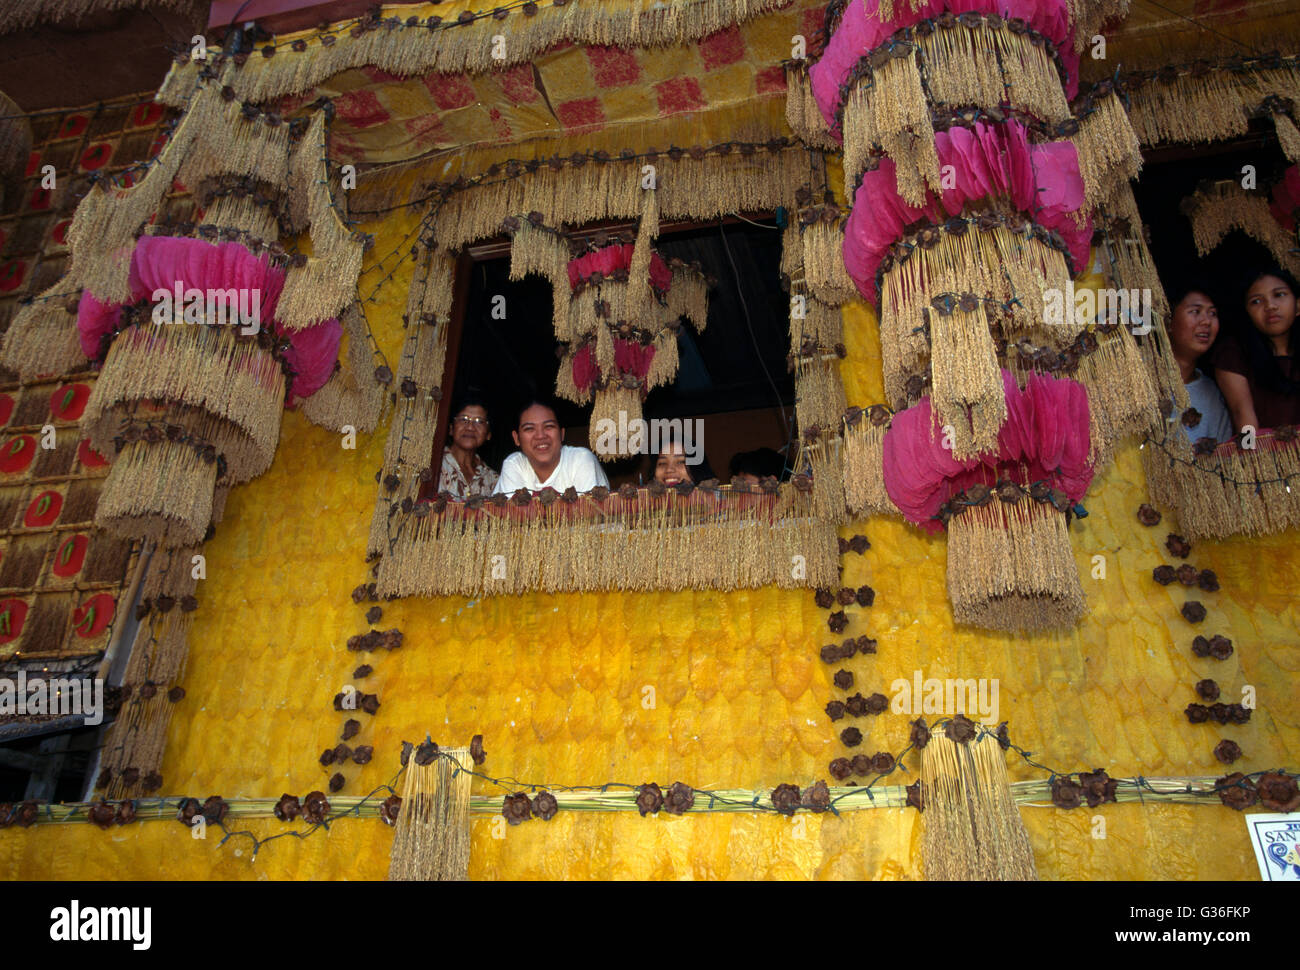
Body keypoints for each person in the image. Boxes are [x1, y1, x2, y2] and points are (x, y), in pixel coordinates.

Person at [1214, 268, 1300, 432]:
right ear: (1247, 313)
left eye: (1279, 295)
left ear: (1298, 305)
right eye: (1256, 301)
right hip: (1262, 454)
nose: (1270, 306)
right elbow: (1242, 416)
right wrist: (1251, 451)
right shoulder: (1232, 354)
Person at [493, 397, 610, 494]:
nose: (540, 436)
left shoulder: (581, 460)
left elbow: (588, 515)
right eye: (529, 429)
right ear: (516, 438)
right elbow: (514, 517)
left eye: (549, 426)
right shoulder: (514, 464)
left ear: (562, 434)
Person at [1165, 285, 1233, 444]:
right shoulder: (1139, 382)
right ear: (1168, 322)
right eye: (1195, 311)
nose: (1206, 321)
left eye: (1213, 313)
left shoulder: (1213, 394)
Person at [438, 396, 498, 498]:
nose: (470, 427)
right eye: (463, 419)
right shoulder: (434, 464)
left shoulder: (493, 480)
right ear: (451, 429)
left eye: (479, 421)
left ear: (488, 434)